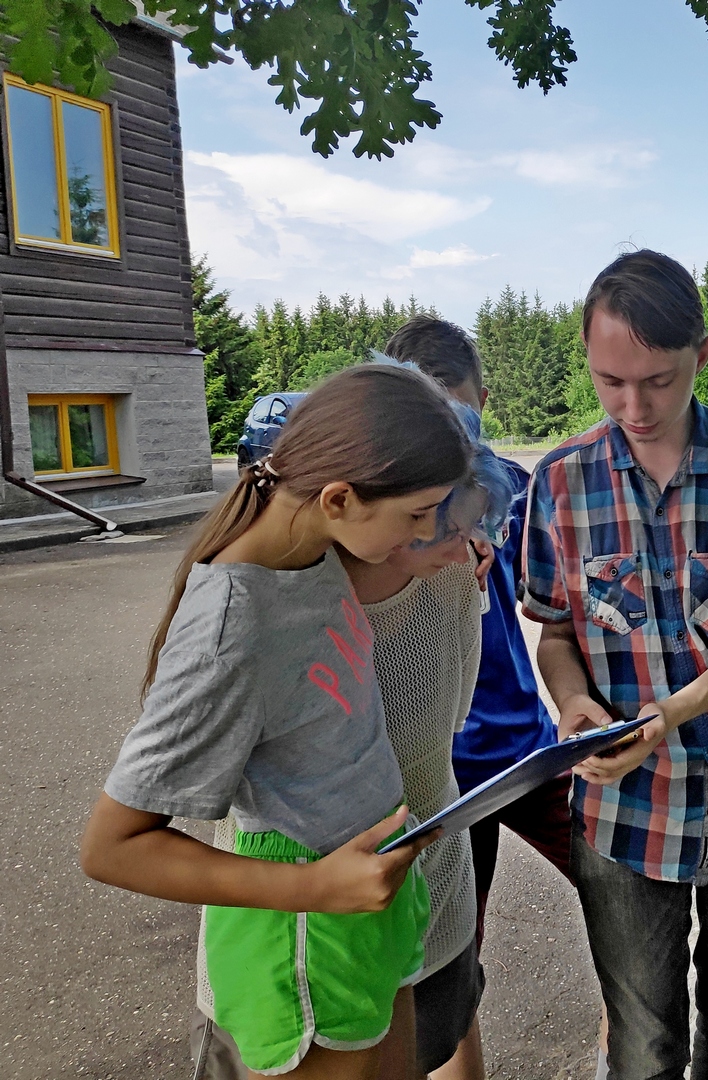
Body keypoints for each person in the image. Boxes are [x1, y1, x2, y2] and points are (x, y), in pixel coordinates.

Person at [81, 365, 469, 1080]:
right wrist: (316, 888)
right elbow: (112, 848)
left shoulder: (316, 551)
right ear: (339, 497)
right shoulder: (231, 625)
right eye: (417, 514)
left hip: (368, 920)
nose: (427, 531)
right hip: (305, 946)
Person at [524, 250, 708, 1080]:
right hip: (623, 803)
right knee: (644, 1042)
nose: (633, 404)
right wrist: (575, 704)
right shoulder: (559, 483)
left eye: (656, 379)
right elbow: (553, 634)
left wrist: (671, 714)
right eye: (609, 381)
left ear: (705, 353)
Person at [381, 317, 579, 1068]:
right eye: (426, 416)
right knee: (451, 956)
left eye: (460, 415)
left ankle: (626, 1030)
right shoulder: (382, 510)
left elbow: (563, 607)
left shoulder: (513, 489)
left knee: (622, 883)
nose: (448, 436)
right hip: (439, 774)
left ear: (484, 401)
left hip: (526, 751)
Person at [340, 402, 512, 1080]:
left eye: (474, 529)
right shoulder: (286, 603)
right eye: (450, 530)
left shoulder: (451, 579)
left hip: (432, 888)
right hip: (313, 923)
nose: (465, 551)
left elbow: (455, 715)